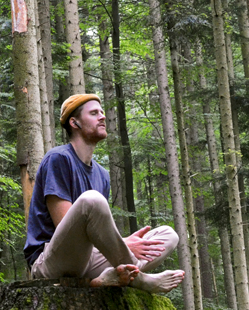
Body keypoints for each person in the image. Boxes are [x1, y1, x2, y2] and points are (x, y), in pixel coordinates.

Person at [23, 93, 185, 292]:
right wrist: (124, 245)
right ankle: (139, 279)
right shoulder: (58, 158)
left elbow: (97, 231)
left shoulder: (102, 174)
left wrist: (122, 245)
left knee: (168, 235)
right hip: (50, 262)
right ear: (75, 123)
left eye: (102, 112)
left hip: (88, 259)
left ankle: (105, 278)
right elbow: (64, 224)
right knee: (92, 200)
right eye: (93, 113)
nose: (102, 117)